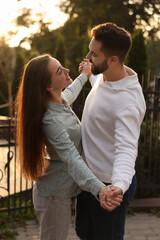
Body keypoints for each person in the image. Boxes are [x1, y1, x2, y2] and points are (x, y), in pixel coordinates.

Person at [15, 54, 122, 240]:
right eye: (59, 71)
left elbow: (72, 90)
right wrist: (100, 189)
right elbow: (72, 158)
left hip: (61, 193)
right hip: (53, 197)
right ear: (48, 86)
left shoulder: (60, 102)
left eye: (62, 66)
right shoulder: (50, 120)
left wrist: (86, 75)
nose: (66, 71)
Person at [75, 22, 146, 240]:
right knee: (84, 233)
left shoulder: (128, 102)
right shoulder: (105, 76)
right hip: (90, 180)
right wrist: (89, 73)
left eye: (93, 55)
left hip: (110, 185)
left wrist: (118, 187)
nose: (88, 57)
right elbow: (99, 80)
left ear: (113, 59)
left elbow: (126, 149)